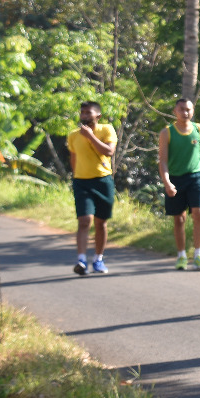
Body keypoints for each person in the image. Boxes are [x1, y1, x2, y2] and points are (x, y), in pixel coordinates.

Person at [158, 98, 200, 270]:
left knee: (199, 214)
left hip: (196, 177)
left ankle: (198, 255)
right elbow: (163, 161)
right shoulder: (167, 132)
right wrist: (167, 183)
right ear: (175, 111)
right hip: (175, 178)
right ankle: (181, 255)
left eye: (188, 109)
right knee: (179, 218)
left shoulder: (199, 130)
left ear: (193, 111)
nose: (185, 113)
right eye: (181, 109)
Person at [67, 101, 117, 275]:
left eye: (88, 112)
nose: (84, 116)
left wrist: (90, 136)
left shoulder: (107, 130)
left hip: (103, 181)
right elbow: (73, 159)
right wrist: (76, 176)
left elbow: (109, 151)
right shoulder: (73, 135)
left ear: (98, 115)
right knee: (84, 220)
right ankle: (81, 260)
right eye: (82, 112)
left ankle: (98, 259)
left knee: (100, 222)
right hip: (82, 182)